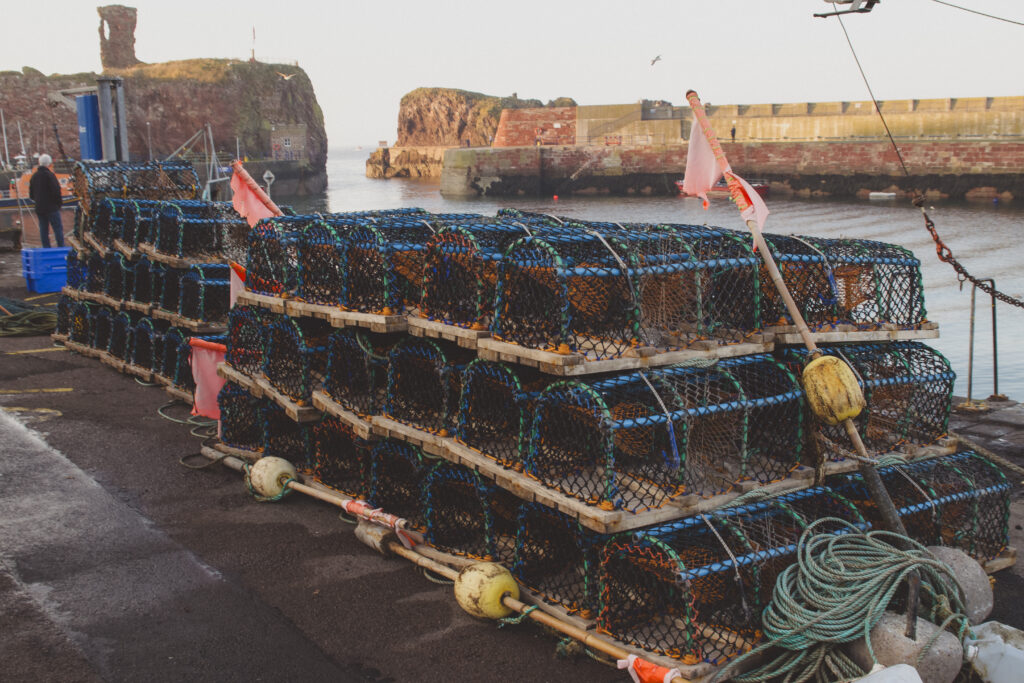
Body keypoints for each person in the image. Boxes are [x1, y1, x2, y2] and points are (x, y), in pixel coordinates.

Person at [28, 154, 64, 248]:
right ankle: (61, 247)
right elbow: (56, 191)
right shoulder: (50, 175)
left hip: (40, 208)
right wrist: (59, 204)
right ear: (49, 163)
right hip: (52, 207)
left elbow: (31, 194)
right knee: (57, 229)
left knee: (43, 230)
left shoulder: (34, 177)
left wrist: (38, 201)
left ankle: (46, 248)